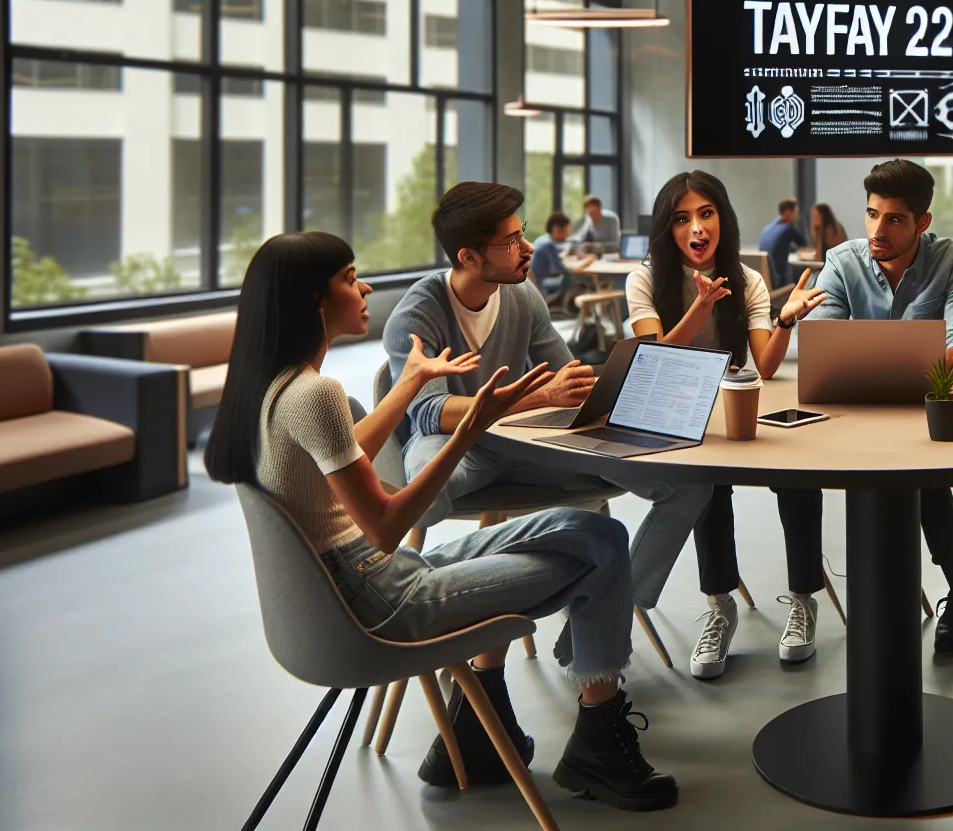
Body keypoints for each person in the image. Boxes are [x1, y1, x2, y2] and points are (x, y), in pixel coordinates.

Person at [205, 231, 677, 809]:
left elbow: (345, 450)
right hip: (384, 600)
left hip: (364, 583)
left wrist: (409, 383)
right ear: (313, 300)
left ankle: (483, 729)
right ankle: (598, 740)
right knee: (602, 547)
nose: (365, 287)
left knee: (596, 531)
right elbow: (383, 525)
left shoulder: (272, 387)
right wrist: (471, 428)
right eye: (351, 278)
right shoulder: (316, 393)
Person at [382, 183, 713, 638]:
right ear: (469, 258)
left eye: (524, 233)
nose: (529, 247)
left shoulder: (523, 296)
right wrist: (539, 397)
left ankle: (609, 604)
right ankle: (455, 597)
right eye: (512, 241)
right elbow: (429, 413)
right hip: (456, 444)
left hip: (527, 442)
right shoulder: (414, 316)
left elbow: (567, 380)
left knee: (687, 487)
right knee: (426, 501)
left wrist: (621, 380)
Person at [623, 172, 829, 679]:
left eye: (706, 213)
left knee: (797, 473)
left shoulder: (748, 280)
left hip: (740, 403)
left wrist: (785, 321)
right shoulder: (644, 280)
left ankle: (803, 599)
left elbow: (766, 362)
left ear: (723, 219)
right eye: (682, 218)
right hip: (681, 415)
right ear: (667, 229)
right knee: (708, 488)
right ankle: (721, 603)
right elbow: (655, 359)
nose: (696, 227)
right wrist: (701, 306)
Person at [807, 159, 953, 651]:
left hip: (922, 413)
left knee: (917, 465)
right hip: (856, 413)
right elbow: (822, 346)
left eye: (894, 219)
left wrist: (905, 366)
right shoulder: (842, 261)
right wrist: (910, 360)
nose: (878, 230)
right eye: (871, 215)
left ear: (922, 222)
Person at [529, 211, 594, 313]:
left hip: (537, 282)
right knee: (581, 280)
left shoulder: (542, 240)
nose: (567, 236)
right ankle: (580, 311)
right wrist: (587, 261)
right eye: (566, 231)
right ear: (556, 229)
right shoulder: (547, 245)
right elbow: (565, 269)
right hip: (545, 285)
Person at [757, 197, 810, 287]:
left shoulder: (766, 229)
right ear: (788, 212)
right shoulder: (788, 228)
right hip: (777, 282)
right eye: (795, 212)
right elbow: (804, 246)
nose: (796, 216)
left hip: (763, 281)